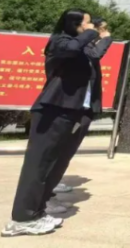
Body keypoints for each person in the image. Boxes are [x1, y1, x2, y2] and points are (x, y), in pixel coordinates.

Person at [2, 9, 104, 237]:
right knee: (39, 166)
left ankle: (38, 210)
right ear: (74, 24)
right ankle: (22, 218)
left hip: (75, 111)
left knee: (57, 164)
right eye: (87, 23)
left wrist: (103, 37)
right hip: (54, 110)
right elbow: (71, 49)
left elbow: (94, 54)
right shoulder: (59, 41)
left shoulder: (82, 47)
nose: (91, 28)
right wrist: (90, 33)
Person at [43, 17, 113, 214]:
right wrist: (105, 39)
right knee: (55, 154)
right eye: (89, 25)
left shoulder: (82, 47)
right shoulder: (70, 45)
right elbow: (95, 54)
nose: (98, 31)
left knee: (64, 154)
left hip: (82, 107)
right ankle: (42, 199)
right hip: (68, 108)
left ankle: (47, 195)